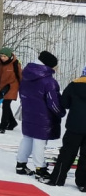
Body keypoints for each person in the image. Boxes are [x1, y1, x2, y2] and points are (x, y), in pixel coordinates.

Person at [16, 51, 64, 180]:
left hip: (28, 112)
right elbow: (53, 102)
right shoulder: (48, 82)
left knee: (27, 138)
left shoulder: (26, 75)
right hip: (43, 116)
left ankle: (20, 164)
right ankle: (40, 169)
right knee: (39, 142)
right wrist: (60, 112)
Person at [47, 65, 86, 190]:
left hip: (74, 126)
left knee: (67, 153)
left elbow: (64, 103)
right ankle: (83, 183)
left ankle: (57, 179)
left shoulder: (74, 85)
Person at [0, 47, 22, 133]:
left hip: (12, 87)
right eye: (1, 56)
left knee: (6, 105)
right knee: (6, 105)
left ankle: (2, 126)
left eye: (5, 56)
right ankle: (12, 122)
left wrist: (23, 87)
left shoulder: (15, 64)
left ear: (9, 56)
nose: (2, 58)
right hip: (2, 87)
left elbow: (20, 76)